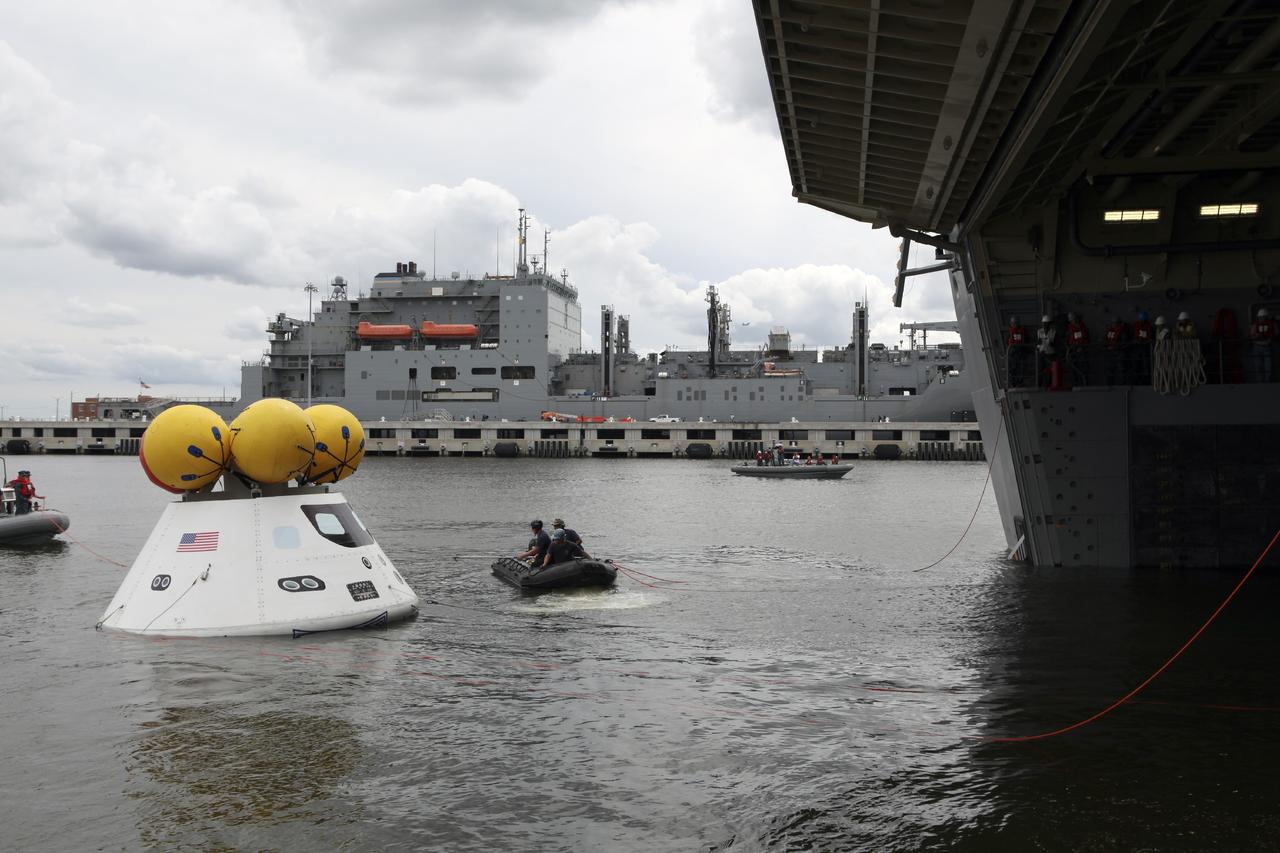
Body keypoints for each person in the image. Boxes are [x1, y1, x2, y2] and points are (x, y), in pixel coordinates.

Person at [1103, 316, 1130, 385]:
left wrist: (1115, 347)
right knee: (1110, 369)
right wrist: (1107, 346)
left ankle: (1123, 385)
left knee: (1121, 369)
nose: (1113, 324)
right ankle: (1110, 384)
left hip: (1119, 353)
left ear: (1119, 323)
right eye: (1113, 323)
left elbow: (1124, 343)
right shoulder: (1110, 331)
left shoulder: (1123, 331)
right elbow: (1106, 339)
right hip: (1110, 353)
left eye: (1115, 323)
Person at [1250, 306, 1275, 382]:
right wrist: (1257, 336)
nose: (1262, 318)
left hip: (1267, 347)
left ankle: (1267, 382)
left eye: (1264, 317)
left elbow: (1276, 333)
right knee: (1258, 366)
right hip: (1257, 347)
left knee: (1268, 367)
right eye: (1261, 317)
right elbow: (1251, 336)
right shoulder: (1255, 325)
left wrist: (1270, 336)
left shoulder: (1272, 324)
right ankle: (1260, 382)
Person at [1066, 312, 1090, 385]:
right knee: (1074, 367)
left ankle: (1084, 383)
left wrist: (1081, 347)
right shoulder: (1070, 327)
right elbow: (1069, 339)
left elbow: (1085, 338)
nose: (1072, 321)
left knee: (1083, 366)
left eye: (1073, 320)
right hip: (1073, 350)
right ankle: (1076, 382)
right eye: (1071, 320)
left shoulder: (1082, 326)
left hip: (1081, 350)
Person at [1006, 315, 1030, 386]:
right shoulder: (1009, 332)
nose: (1014, 325)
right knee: (1013, 368)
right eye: (1013, 323)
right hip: (1013, 353)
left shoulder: (1023, 331)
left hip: (1020, 352)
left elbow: (1026, 340)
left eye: (1015, 323)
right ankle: (1013, 383)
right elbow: (1007, 341)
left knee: (1021, 368)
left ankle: (1020, 382)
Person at [1035, 314, 1057, 387]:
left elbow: (1056, 344)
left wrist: (1051, 343)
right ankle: (1039, 385)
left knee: (1050, 370)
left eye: (1047, 323)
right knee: (1040, 369)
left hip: (1050, 354)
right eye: (1044, 323)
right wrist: (1039, 345)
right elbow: (1037, 342)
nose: (1045, 325)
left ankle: (1048, 385)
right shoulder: (1039, 331)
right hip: (1042, 353)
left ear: (1049, 324)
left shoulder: (1053, 332)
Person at [1133, 310, 1154, 383]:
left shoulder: (1149, 327)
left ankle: (1147, 381)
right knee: (1137, 364)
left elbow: (1151, 338)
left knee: (1146, 365)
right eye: (1141, 320)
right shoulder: (1136, 326)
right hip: (1138, 348)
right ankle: (1137, 380)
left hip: (1145, 348)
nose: (1142, 322)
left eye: (1143, 320)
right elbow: (1133, 337)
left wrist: (1145, 342)